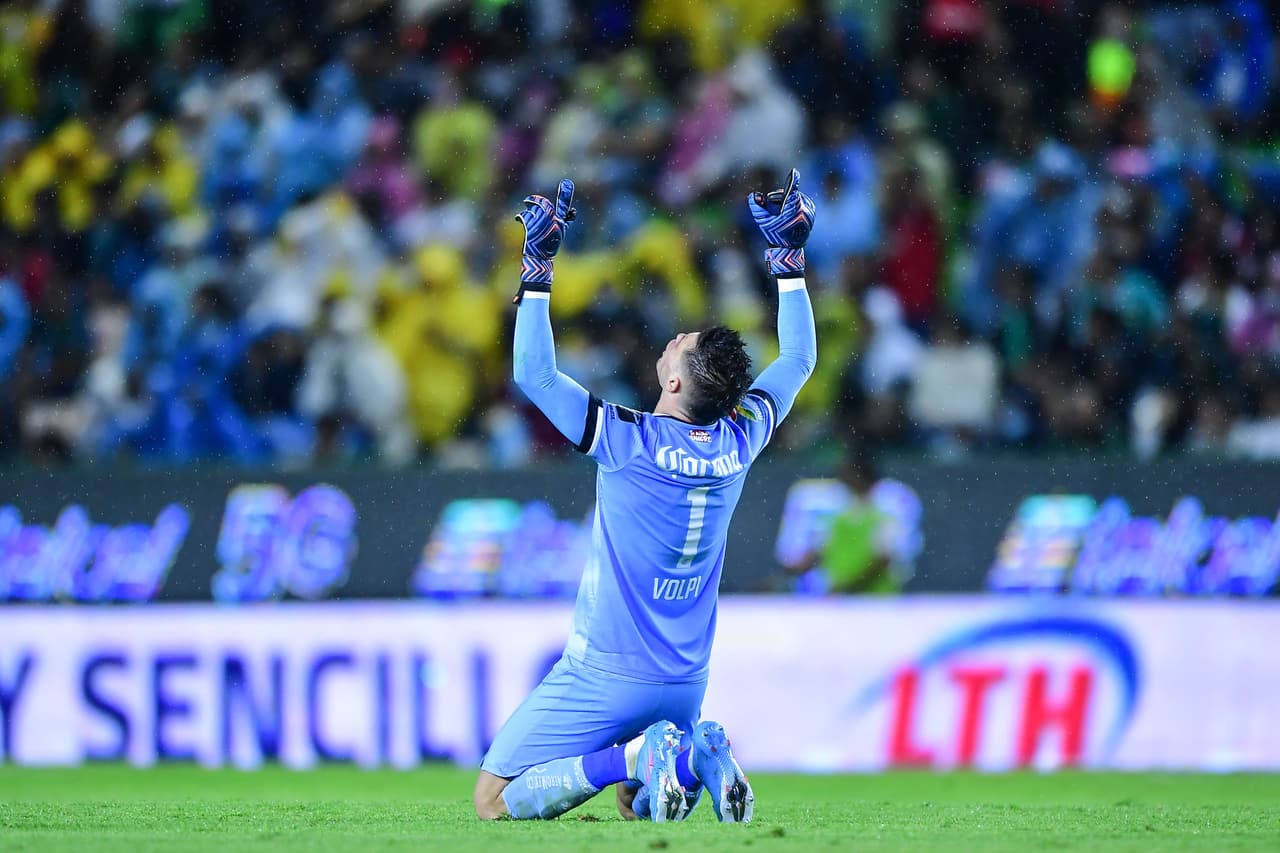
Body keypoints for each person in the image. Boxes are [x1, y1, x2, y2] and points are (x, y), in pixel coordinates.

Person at [472, 171, 817, 822]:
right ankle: (699, 753)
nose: (668, 344)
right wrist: (790, 264)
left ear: (679, 384)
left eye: (678, 348)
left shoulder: (625, 439)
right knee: (640, 809)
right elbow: (797, 359)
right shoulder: (741, 437)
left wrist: (538, 264)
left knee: (492, 799)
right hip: (685, 682)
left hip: (605, 674)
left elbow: (531, 373)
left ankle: (635, 756)